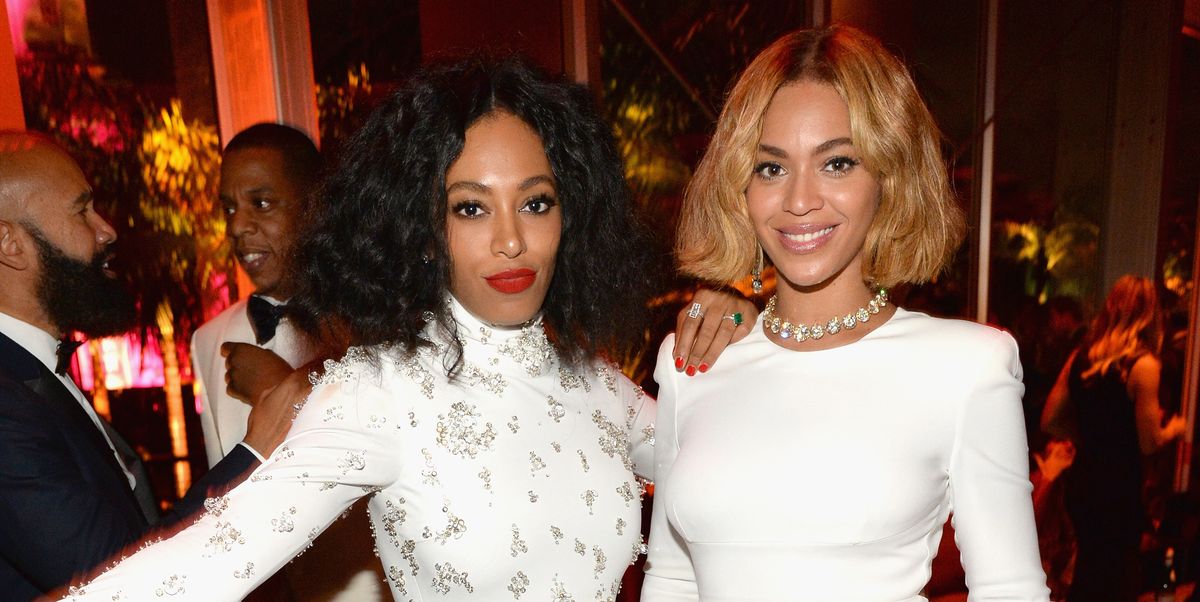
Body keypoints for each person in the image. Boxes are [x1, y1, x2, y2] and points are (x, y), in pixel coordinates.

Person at [61, 56, 753, 601]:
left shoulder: (597, 385)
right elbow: (206, 562)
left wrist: (752, 320)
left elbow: (746, 474)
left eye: (536, 203)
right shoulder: (379, 392)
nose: (511, 240)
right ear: (422, 230)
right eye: (471, 208)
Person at [642, 26, 1051, 600]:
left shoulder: (967, 367)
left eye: (836, 163)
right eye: (771, 168)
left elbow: (1010, 591)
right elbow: (672, 577)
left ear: (889, 177)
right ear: (739, 186)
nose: (800, 200)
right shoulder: (693, 359)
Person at [0, 131, 282, 600]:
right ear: (8, 243)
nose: (106, 230)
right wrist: (257, 450)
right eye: (81, 211)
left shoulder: (35, 371)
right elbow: (119, 579)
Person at [192, 122, 386, 600]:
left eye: (261, 203)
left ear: (316, 207)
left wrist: (284, 391)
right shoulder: (208, 340)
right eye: (229, 208)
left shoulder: (377, 322)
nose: (237, 227)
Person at [1041, 275, 1185, 601]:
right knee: (1117, 579)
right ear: (1151, 315)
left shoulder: (1081, 357)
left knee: (1088, 573)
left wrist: (1088, 437)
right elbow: (1149, 441)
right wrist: (1176, 429)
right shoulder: (1143, 365)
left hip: (1083, 482)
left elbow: (1050, 419)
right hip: (1120, 488)